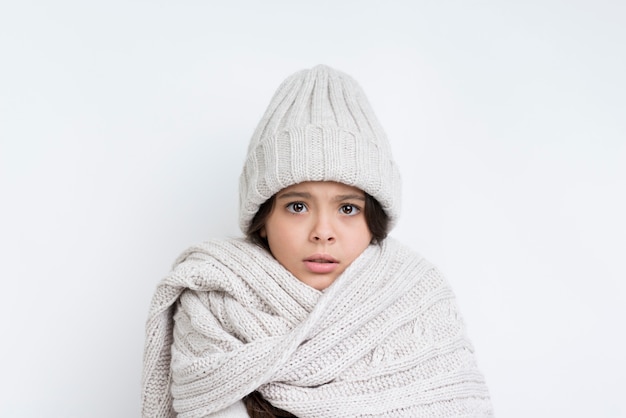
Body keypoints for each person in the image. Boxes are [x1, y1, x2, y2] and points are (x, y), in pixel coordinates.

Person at [142, 65, 493, 417]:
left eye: (348, 208)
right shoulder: (211, 302)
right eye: (297, 206)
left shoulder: (421, 300)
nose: (323, 231)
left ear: (374, 220)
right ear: (262, 218)